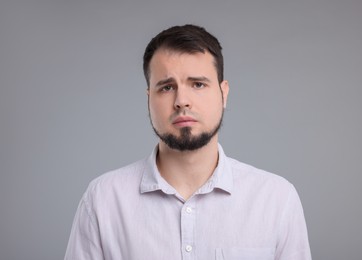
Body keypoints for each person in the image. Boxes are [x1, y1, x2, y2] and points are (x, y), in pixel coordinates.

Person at [65, 24, 311, 260]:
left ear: (223, 93)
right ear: (149, 98)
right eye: (167, 87)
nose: (182, 100)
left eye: (198, 84)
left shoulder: (277, 199)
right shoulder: (103, 201)